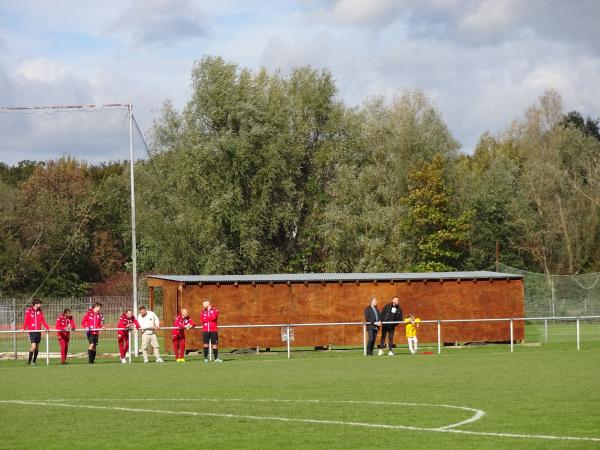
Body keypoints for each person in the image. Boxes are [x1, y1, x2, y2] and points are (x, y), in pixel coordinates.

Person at [21, 299, 50, 365]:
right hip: (32, 332)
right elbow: (26, 320)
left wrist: (47, 327)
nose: (41, 305)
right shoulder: (29, 311)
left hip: (38, 331)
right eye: (40, 304)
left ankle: (34, 361)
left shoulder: (40, 311)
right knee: (33, 347)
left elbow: (42, 320)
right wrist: (23, 328)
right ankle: (29, 361)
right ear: (36, 304)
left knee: (37, 347)